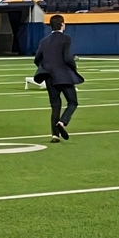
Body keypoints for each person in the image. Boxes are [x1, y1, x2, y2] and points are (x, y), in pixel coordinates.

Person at [34, 15, 83, 143]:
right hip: (64, 76)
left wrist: (46, 67)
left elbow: (37, 59)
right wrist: (73, 68)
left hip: (49, 77)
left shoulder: (44, 41)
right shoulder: (66, 39)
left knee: (55, 106)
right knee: (72, 102)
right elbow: (67, 58)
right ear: (62, 25)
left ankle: (55, 135)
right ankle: (62, 122)